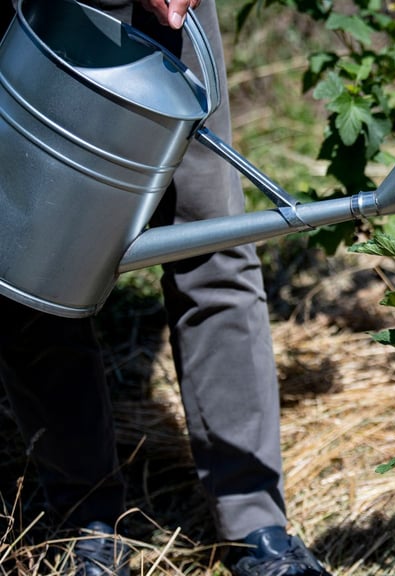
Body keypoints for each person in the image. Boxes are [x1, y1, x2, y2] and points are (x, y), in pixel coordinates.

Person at [0, 0, 333, 574]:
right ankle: (87, 524)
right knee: (34, 262)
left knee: (209, 242)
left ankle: (255, 525)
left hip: (152, 15)